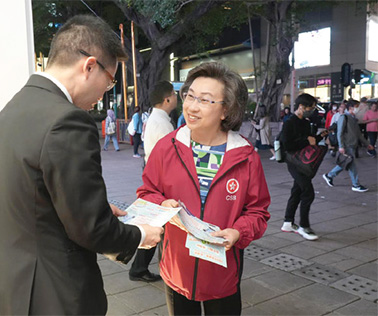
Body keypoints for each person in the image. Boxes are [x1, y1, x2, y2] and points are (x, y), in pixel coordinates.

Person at [0, 15, 163, 315]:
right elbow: (91, 230)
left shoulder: (14, 107)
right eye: (110, 81)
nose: (106, 92)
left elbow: (36, 197)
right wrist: (142, 235)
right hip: (53, 295)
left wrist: (96, 207)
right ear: (89, 66)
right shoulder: (68, 121)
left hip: (9, 287)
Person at [137, 62, 270, 315]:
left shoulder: (245, 156)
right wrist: (162, 204)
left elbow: (258, 211)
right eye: (189, 96)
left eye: (205, 100)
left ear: (226, 110)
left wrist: (238, 232)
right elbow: (147, 192)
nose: (191, 106)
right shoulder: (167, 147)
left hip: (222, 273)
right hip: (176, 268)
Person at [129, 81, 177, 283]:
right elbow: (172, 157)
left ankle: (139, 268)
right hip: (161, 179)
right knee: (157, 226)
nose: (177, 97)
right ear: (167, 99)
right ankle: (139, 269)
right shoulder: (162, 123)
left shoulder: (156, 119)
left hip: (154, 174)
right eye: (174, 94)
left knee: (156, 225)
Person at [280, 93, 328, 241]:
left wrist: (321, 136)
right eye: (310, 107)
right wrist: (306, 140)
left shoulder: (306, 122)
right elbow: (288, 145)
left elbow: (311, 141)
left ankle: (288, 222)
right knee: (308, 192)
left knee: (297, 191)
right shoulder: (289, 122)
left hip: (304, 161)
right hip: (294, 162)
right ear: (301, 106)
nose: (312, 110)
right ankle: (304, 226)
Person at [322, 100, 374, 193]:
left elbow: (358, 134)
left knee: (345, 163)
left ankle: (329, 175)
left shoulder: (353, 118)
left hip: (352, 145)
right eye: (358, 106)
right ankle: (356, 184)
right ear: (351, 108)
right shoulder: (344, 117)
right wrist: (341, 146)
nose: (359, 108)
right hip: (347, 145)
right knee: (351, 165)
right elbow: (340, 132)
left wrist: (367, 144)